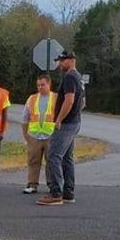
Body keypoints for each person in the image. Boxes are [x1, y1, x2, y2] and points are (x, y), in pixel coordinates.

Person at [37, 50, 84, 206]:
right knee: (67, 158)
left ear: (70, 60)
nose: (60, 64)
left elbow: (69, 100)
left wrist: (59, 119)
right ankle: (68, 192)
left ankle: (56, 193)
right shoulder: (79, 77)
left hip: (66, 123)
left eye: (62, 61)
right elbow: (83, 102)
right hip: (75, 122)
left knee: (54, 156)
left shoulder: (70, 77)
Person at [21, 74, 57, 194]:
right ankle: (32, 184)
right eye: (38, 85)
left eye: (42, 85)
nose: (40, 87)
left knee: (51, 161)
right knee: (33, 161)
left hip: (51, 136)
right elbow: (25, 118)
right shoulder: (32, 99)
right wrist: (26, 136)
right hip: (34, 136)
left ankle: (52, 184)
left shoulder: (56, 98)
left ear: (49, 84)